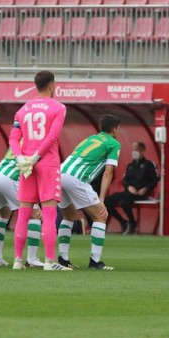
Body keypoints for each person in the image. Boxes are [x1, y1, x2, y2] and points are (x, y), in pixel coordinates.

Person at [8, 70, 70, 271]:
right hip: (46, 163)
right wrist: (36, 158)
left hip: (26, 164)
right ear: (52, 85)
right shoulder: (58, 107)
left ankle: (18, 260)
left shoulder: (23, 109)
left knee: (24, 213)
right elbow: (52, 136)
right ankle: (50, 262)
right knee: (49, 213)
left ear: (36, 85)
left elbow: (12, 139)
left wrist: (21, 158)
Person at [57, 114, 121, 270]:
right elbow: (108, 172)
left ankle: (63, 258)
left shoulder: (90, 139)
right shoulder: (113, 143)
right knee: (100, 215)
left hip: (59, 175)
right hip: (76, 178)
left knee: (69, 216)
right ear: (114, 129)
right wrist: (102, 199)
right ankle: (95, 261)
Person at [0, 149, 43, 267]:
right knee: (35, 213)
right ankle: (31, 259)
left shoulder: (19, 140)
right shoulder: (36, 140)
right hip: (11, 177)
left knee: (3, 214)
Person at [104, 141, 159, 235]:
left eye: (136, 150)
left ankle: (133, 224)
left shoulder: (149, 164)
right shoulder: (130, 166)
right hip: (128, 192)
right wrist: (129, 187)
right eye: (133, 150)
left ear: (142, 151)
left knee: (124, 203)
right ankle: (123, 222)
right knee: (106, 201)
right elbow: (125, 180)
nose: (134, 152)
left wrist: (145, 189)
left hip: (140, 194)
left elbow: (155, 179)